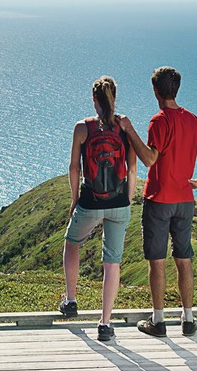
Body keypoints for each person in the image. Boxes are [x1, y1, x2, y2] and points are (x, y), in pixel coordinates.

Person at [59, 76, 151, 342]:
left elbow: (74, 168)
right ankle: (105, 323)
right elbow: (132, 169)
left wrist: (75, 199)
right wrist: (127, 198)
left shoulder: (82, 127)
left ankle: (71, 300)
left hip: (90, 201)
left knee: (72, 242)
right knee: (112, 262)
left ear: (93, 99)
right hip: (119, 203)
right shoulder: (124, 127)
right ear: (115, 97)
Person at [133, 66, 197, 338]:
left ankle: (158, 321)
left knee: (157, 262)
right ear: (176, 89)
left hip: (159, 200)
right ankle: (188, 319)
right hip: (185, 200)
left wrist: (129, 132)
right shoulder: (192, 119)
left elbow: (150, 159)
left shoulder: (158, 121)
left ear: (155, 90)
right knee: (184, 259)